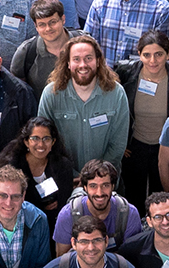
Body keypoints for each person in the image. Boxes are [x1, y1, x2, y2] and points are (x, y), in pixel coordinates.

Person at [38, 34, 130, 171]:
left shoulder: (116, 93)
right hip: (66, 178)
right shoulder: (51, 94)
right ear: (68, 63)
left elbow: (118, 144)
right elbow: (44, 140)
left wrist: (95, 177)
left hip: (105, 181)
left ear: (98, 61)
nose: (83, 65)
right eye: (76, 59)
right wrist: (73, 176)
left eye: (88, 58)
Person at [120, 30, 169, 205]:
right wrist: (121, 142)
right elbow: (116, 109)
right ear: (139, 55)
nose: (153, 61)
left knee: (160, 197)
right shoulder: (125, 73)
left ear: (168, 54)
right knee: (133, 196)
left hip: (165, 147)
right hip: (134, 147)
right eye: (147, 55)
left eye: (159, 54)